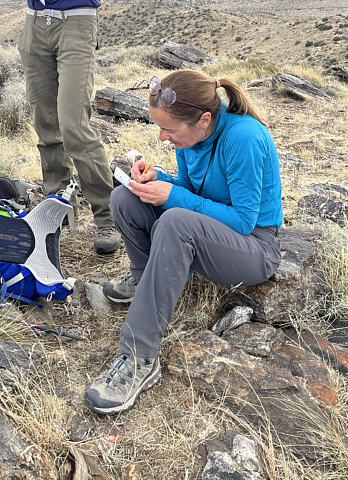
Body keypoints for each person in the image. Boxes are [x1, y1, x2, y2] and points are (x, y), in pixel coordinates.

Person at [84, 69, 283, 414]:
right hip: (214, 233)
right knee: (125, 200)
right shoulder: (190, 138)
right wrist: (157, 180)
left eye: (169, 129)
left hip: (255, 248)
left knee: (176, 221)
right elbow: (192, 189)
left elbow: (244, 221)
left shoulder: (244, 139)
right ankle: (146, 277)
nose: (162, 137)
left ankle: (139, 357)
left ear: (204, 119)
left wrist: (172, 196)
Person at [8, 0, 128, 254]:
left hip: (77, 25)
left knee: (74, 125)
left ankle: (108, 216)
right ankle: (55, 207)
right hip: (34, 24)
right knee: (45, 123)